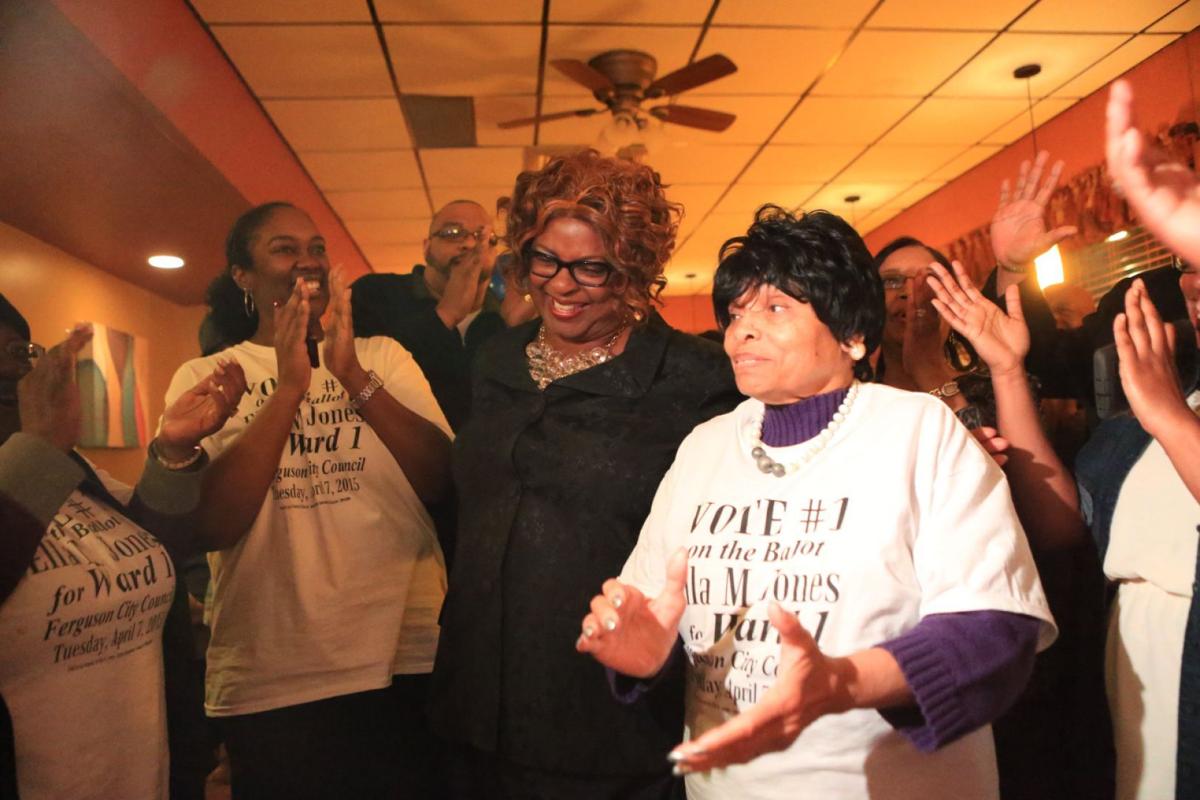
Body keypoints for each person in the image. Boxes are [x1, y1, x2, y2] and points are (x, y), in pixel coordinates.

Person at [577, 206, 1057, 799]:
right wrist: (650, 656)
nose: (741, 331)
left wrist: (845, 682)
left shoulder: (918, 430)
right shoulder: (705, 447)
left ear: (853, 335)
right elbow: (652, 608)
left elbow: (996, 631)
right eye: (736, 311)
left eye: (775, 307)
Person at [428, 150, 742, 799]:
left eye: (591, 267)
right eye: (543, 259)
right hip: (473, 712)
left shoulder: (694, 379)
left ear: (634, 270)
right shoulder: (495, 361)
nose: (561, 285)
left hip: (608, 730)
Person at [168, 201, 453, 798]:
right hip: (276, 671)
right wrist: (290, 387)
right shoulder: (211, 375)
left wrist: (350, 377)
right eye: (284, 247)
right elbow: (214, 524)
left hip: (404, 655)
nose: (308, 261)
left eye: (317, 247)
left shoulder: (381, 357)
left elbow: (442, 481)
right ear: (242, 276)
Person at [0, 294, 243, 799]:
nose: (14, 373)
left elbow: (156, 542)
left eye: (19, 352)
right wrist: (40, 445)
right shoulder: (36, 461)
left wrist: (173, 450)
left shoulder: (73, 470)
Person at [352, 199, 536, 431]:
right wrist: (445, 314)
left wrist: (511, 332)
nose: (469, 243)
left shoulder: (503, 319)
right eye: (452, 233)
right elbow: (357, 378)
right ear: (426, 246)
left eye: (483, 237)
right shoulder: (375, 292)